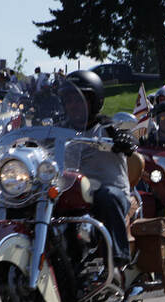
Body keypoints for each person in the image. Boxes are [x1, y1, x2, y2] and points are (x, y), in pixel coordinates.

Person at [61, 70, 141, 279]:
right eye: (69, 100)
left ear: (94, 102)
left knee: (107, 196)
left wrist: (125, 140)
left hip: (109, 192)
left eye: (80, 100)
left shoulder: (107, 127)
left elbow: (130, 139)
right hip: (72, 195)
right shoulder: (61, 131)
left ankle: (118, 259)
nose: (74, 105)